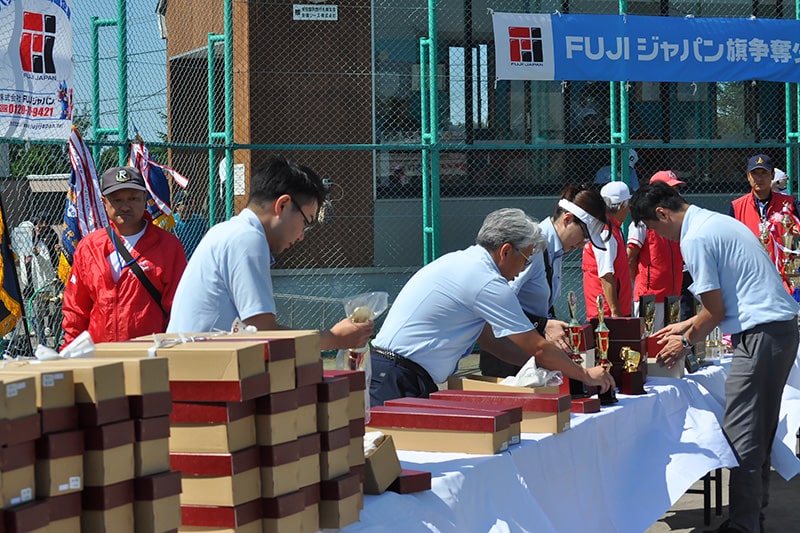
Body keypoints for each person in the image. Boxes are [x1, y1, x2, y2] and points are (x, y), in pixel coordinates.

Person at [630, 182, 799, 533]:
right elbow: (724, 302)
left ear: (662, 214)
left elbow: (715, 311)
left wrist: (685, 340)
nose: (657, 236)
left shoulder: (695, 238)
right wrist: (685, 325)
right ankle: (750, 518)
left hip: (760, 336)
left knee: (742, 434)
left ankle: (743, 525)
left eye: (653, 227)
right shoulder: (712, 222)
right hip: (775, 331)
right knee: (756, 431)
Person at [369, 208, 615, 406]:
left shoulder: (465, 262)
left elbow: (491, 341)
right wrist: (584, 374)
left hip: (397, 374)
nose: (524, 268)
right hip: (397, 377)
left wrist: (543, 366)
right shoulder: (486, 281)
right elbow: (538, 347)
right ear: (506, 251)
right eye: (526, 259)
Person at [167, 155, 373, 351]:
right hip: (196, 370)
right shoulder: (247, 239)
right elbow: (262, 332)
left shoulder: (229, 231)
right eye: (306, 222)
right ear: (282, 205)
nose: (301, 236)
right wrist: (334, 338)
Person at [480, 185, 610, 378]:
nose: (583, 245)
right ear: (567, 219)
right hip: (506, 353)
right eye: (584, 236)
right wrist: (542, 324)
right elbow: (499, 302)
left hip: (523, 346)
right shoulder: (532, 246)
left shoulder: (555, 249)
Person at [61, 166, 187, 344]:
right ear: (104, 202)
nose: (125, 206)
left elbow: (179, 311)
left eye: (133, 198)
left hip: (150, 354)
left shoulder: (168, 247)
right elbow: (76, 310)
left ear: (145, 198)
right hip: (100, 355)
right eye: (117, 200)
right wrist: (69, 352)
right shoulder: (89, 248)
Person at [728, 154, 800, 291]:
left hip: (783, 279)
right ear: (748, 176)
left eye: (764, 173)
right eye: (754, 173)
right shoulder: (736, 207)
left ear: (772, 176)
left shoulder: (789, 204)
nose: (759, 178)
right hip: (749, 279)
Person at [627, 171, 684, 330]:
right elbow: (630, 258)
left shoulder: (677, 221)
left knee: (671, 340)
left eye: (677, 189)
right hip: (650, 297)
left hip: (673, 295)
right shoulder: (642, 223)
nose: (675, 195)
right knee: (648, 341)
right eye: (670, 190)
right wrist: (643, 282)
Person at [582, 181, 633, 319]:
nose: (629, 209)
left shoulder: (610, 228)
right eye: (628, 204)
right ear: (621, 205)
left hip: (606, 312)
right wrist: (616, 312)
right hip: (607, 314)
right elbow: (605, 275)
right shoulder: (606, 232)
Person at [172, 190, 209, 260]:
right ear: (177, 206)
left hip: (196, 259)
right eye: (185, 203)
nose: (189, 206)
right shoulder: (172, 222)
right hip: (179, 260)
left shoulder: (198, 220)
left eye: (191, 202)